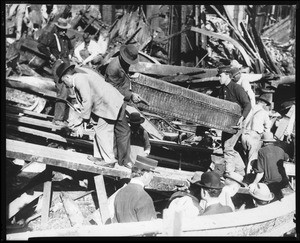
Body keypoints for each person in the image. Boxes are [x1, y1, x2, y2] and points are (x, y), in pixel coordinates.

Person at [56, 62, 124, 164]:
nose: (65, 86)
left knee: (103, 131)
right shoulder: (79, 77)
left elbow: (86, 100)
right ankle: (99, 156)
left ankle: (109, 160)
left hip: (109, 104)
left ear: (66, 77)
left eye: (64, 82)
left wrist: (81, 120)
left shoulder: (79, 79)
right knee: (98, 129)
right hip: (104, 104)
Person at [105, 44, 143, 169]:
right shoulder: (113, 68)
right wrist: (131, 95)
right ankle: (124, 161)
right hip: (113, 102)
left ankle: (117, 158)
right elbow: (112, 88)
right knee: (124, 131)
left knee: (118, 131)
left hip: (119, 102)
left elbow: (121, 81)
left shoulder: (122, 64)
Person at [37, 18, 74, 126]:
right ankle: (58, 119)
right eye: (62, 30)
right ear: (57, 29)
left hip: (67, 64)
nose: (64, 32)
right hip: (58, 64)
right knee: (62, 89)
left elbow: (71, 48)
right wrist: (51, 56)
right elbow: (41, 46)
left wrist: (71, 56)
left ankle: (66, 117)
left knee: (70, 89)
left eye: (65, 30)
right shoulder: (52, 37)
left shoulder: (66, 39)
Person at [217, 66, 252, 177]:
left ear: (228, 75)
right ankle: (240, 171)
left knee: (228, 147)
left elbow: (247, 104)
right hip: (226, 124)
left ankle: (229, 174)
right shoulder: (222, 89)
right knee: (227, 148)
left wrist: (242, 118)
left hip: (236, 125)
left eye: (220, 76)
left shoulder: (237, 88)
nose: (219, 78)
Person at [114, 155, 158, 223]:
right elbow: (149, 229)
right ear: (146, 175)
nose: (152, 178)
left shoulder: (120, 192)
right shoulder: (144, 197)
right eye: (152, 174)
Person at [248, 131, 290, 201]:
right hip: (283, 181)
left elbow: (260, 172)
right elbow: (287, 159)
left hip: (270, 183)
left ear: (264, 142)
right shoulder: (280, 149)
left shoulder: (261, 151)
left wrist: (254, 183)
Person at [241, 95, 272, 174]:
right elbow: (268, 127)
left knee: (245, 157)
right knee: (252, 158)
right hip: (254, 136)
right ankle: (249, 177)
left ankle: (243, 173)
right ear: (264, 104)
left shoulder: (248, 109)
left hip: (244, 135)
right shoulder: (264, 112)